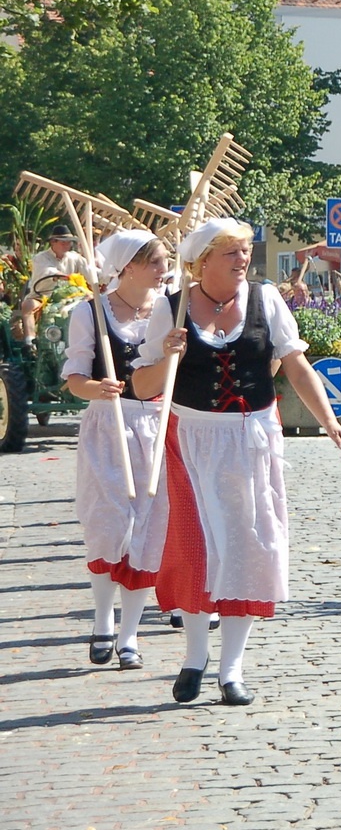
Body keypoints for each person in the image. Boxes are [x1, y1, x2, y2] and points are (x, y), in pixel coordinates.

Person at [132, 218, 341, 706]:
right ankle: (195, 656)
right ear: (204, 260)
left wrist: (330, 421)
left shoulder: (266, 300)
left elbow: (296, 365)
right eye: (233, 253)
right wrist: (166, 357)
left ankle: (231, 669)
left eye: (246, 251)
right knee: (195, 550)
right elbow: (144, 388)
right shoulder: (170, 312)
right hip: (190, 439)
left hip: (253, 439)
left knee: (249, 549)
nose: (243, 261)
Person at [64, 230, 172, 671]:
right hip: (108, 424)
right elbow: (74, 381)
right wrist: (98, 387)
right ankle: (102, 618)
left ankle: (130, 634)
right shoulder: (90, 313)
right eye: (155, 262)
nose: (164, 270)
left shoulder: (170, 309)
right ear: (128, 267)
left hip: (159, 424)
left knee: (148, 532)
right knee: (108, 526)